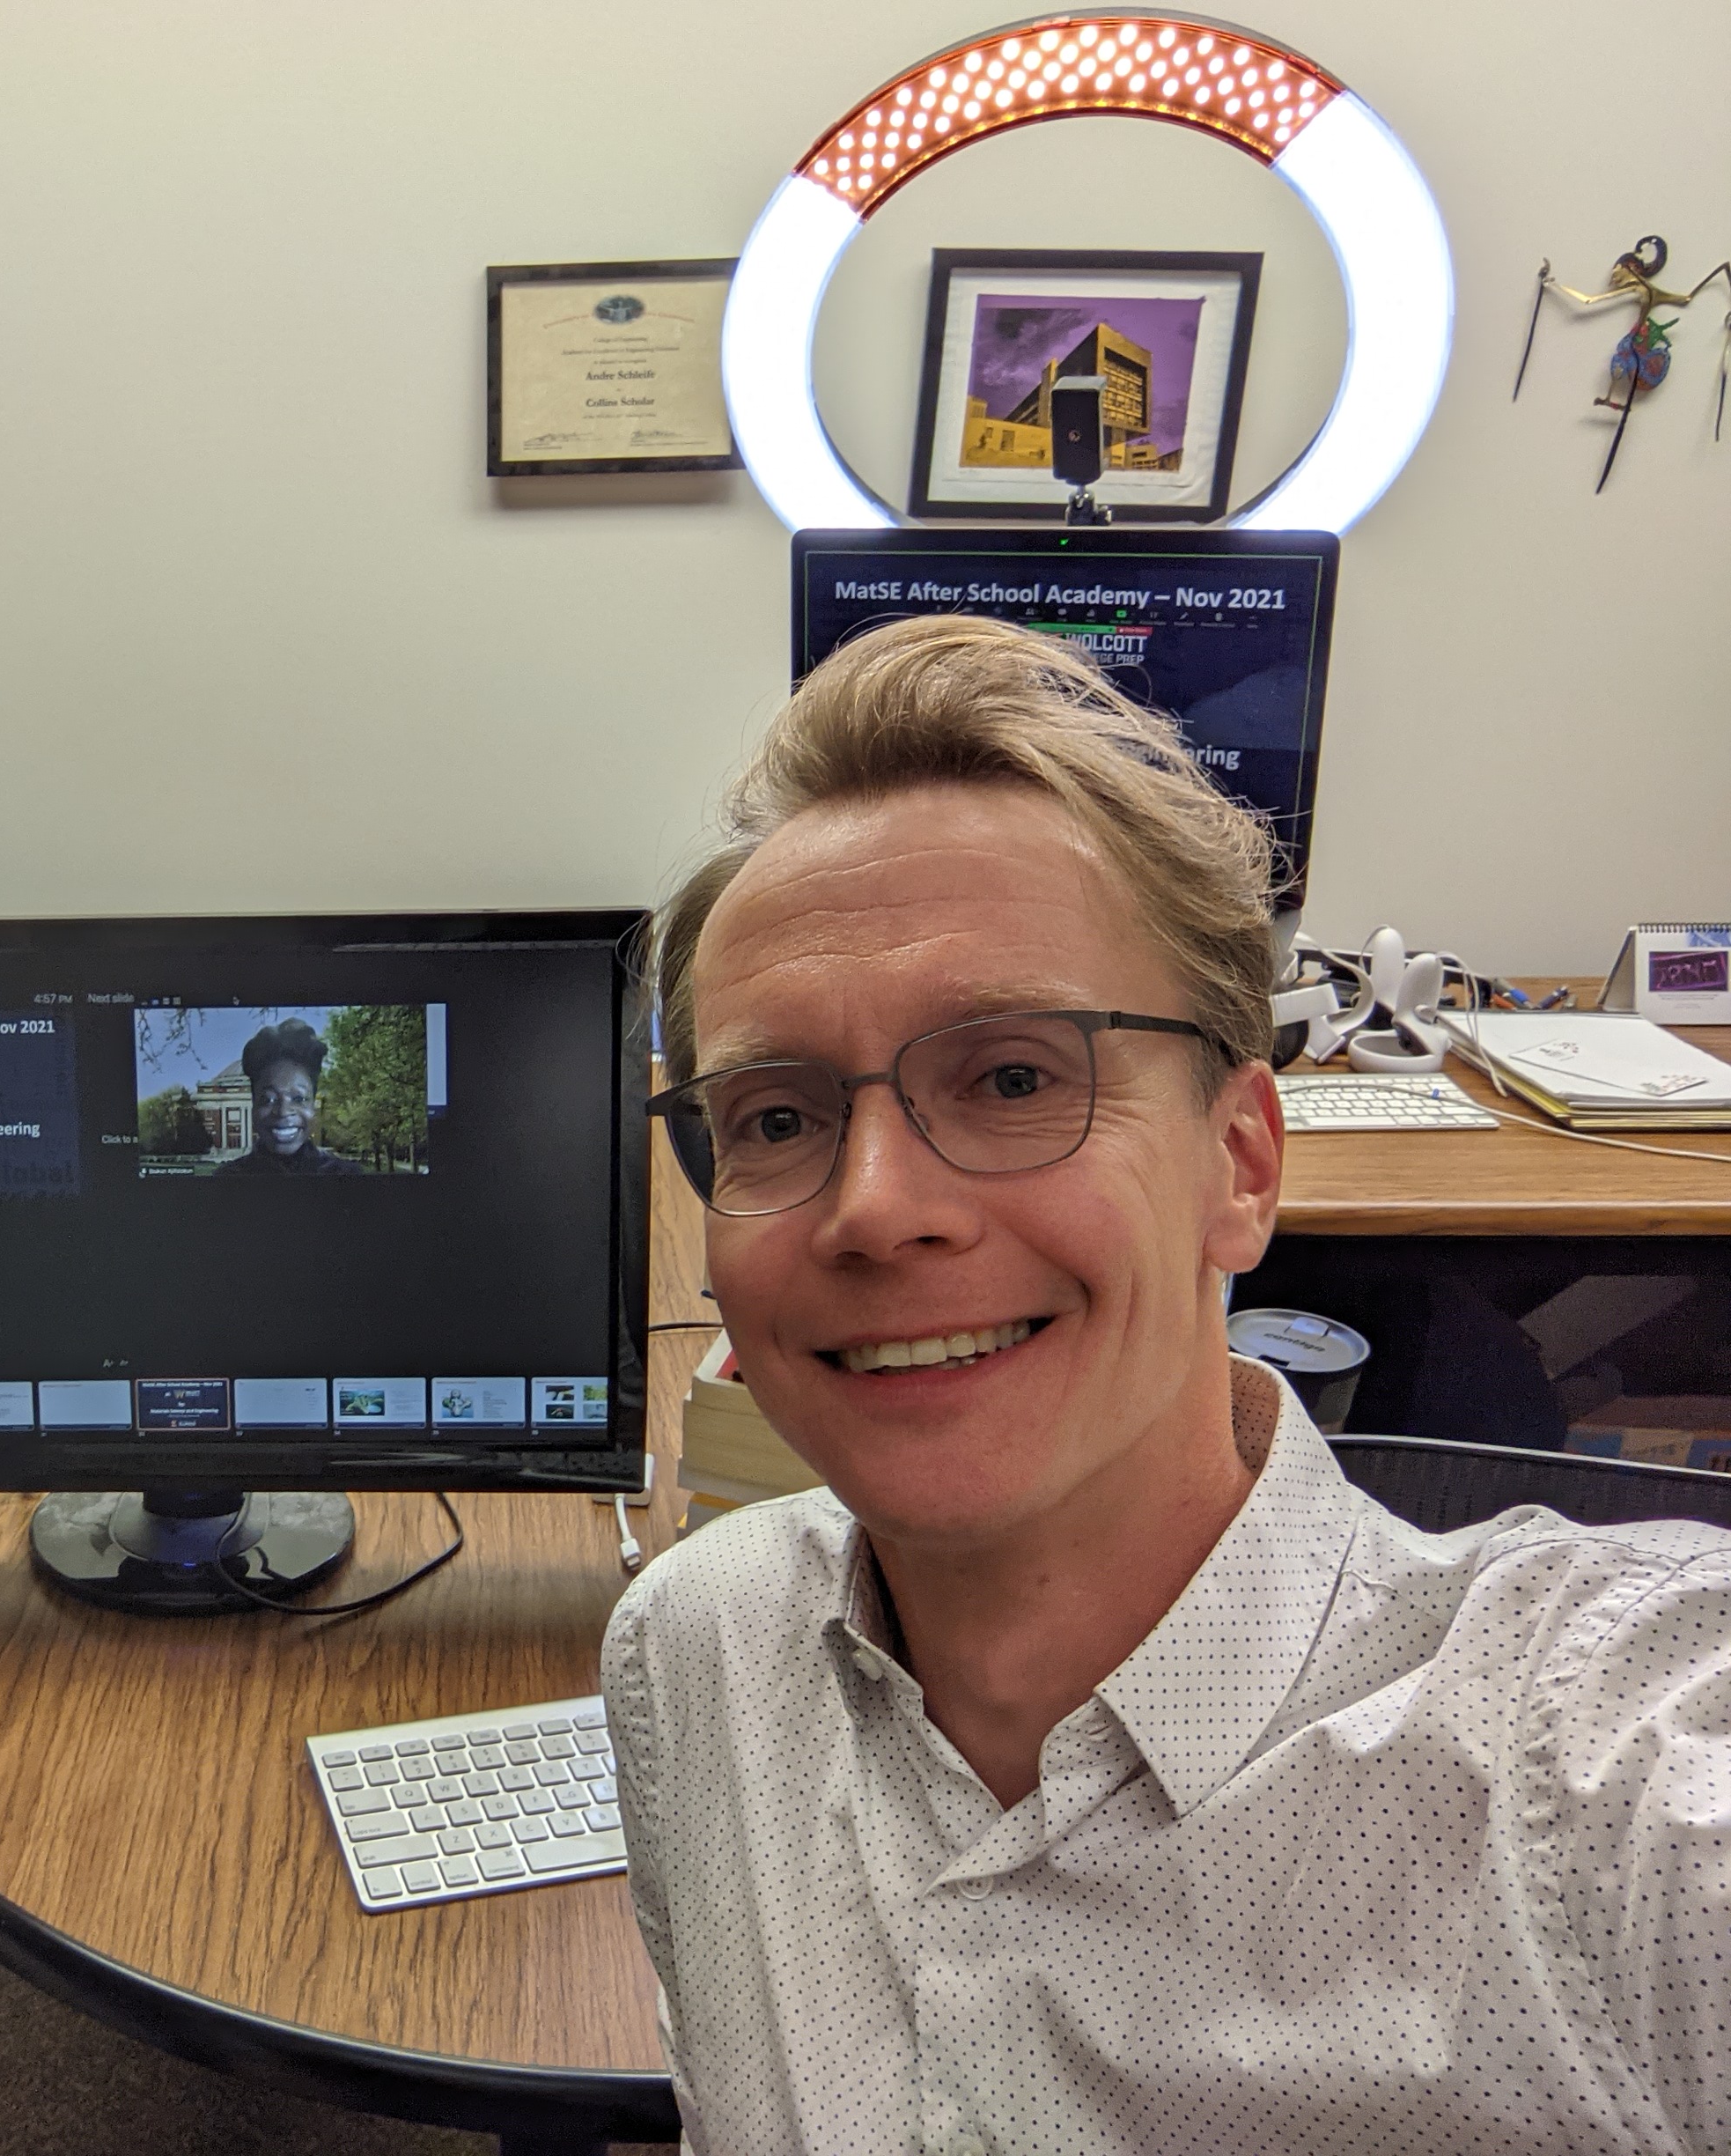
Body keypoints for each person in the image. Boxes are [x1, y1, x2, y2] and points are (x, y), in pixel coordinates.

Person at [602, 616, 1731, 2153]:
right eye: (777, 1115)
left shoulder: (1593, 1801)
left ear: (1239, 1163)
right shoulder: (694, 1654)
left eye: (1011, 1076)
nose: (870, 1205)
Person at [216, 1019, 364, 1176]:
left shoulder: (346, 1177)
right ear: (253, 1105)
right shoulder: (226, 1179)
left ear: (313, 1104)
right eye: (268, 1099)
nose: (283, 1112)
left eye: (298, 1099)